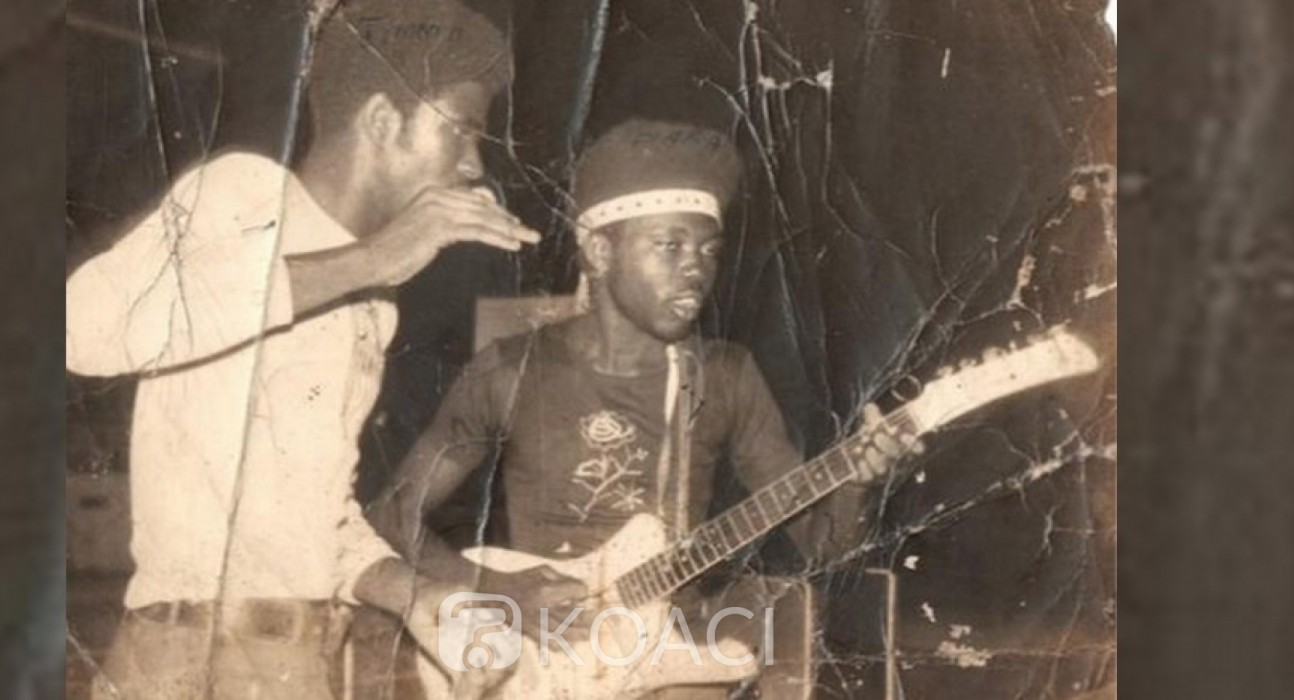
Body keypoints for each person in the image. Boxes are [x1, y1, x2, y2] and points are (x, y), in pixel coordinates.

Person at [65, 1, 538, 697]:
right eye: (462, 130)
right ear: (382, 120)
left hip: (296, 665)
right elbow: (81, 327)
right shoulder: (244, 191)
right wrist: (374, 258)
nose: (473, 166)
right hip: (190, 660)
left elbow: (315, 521)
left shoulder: (371, 302)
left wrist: (418, 596)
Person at [376, 119, 909, 698]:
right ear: (600, 251)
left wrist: (858, 483)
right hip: (536, 661)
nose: (696, 269)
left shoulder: (725, 376)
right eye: (669, 246)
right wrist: (496, 590)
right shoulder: (508, 370)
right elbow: (393, 515)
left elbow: (823, 547)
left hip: (669, 657)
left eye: (708, 250)